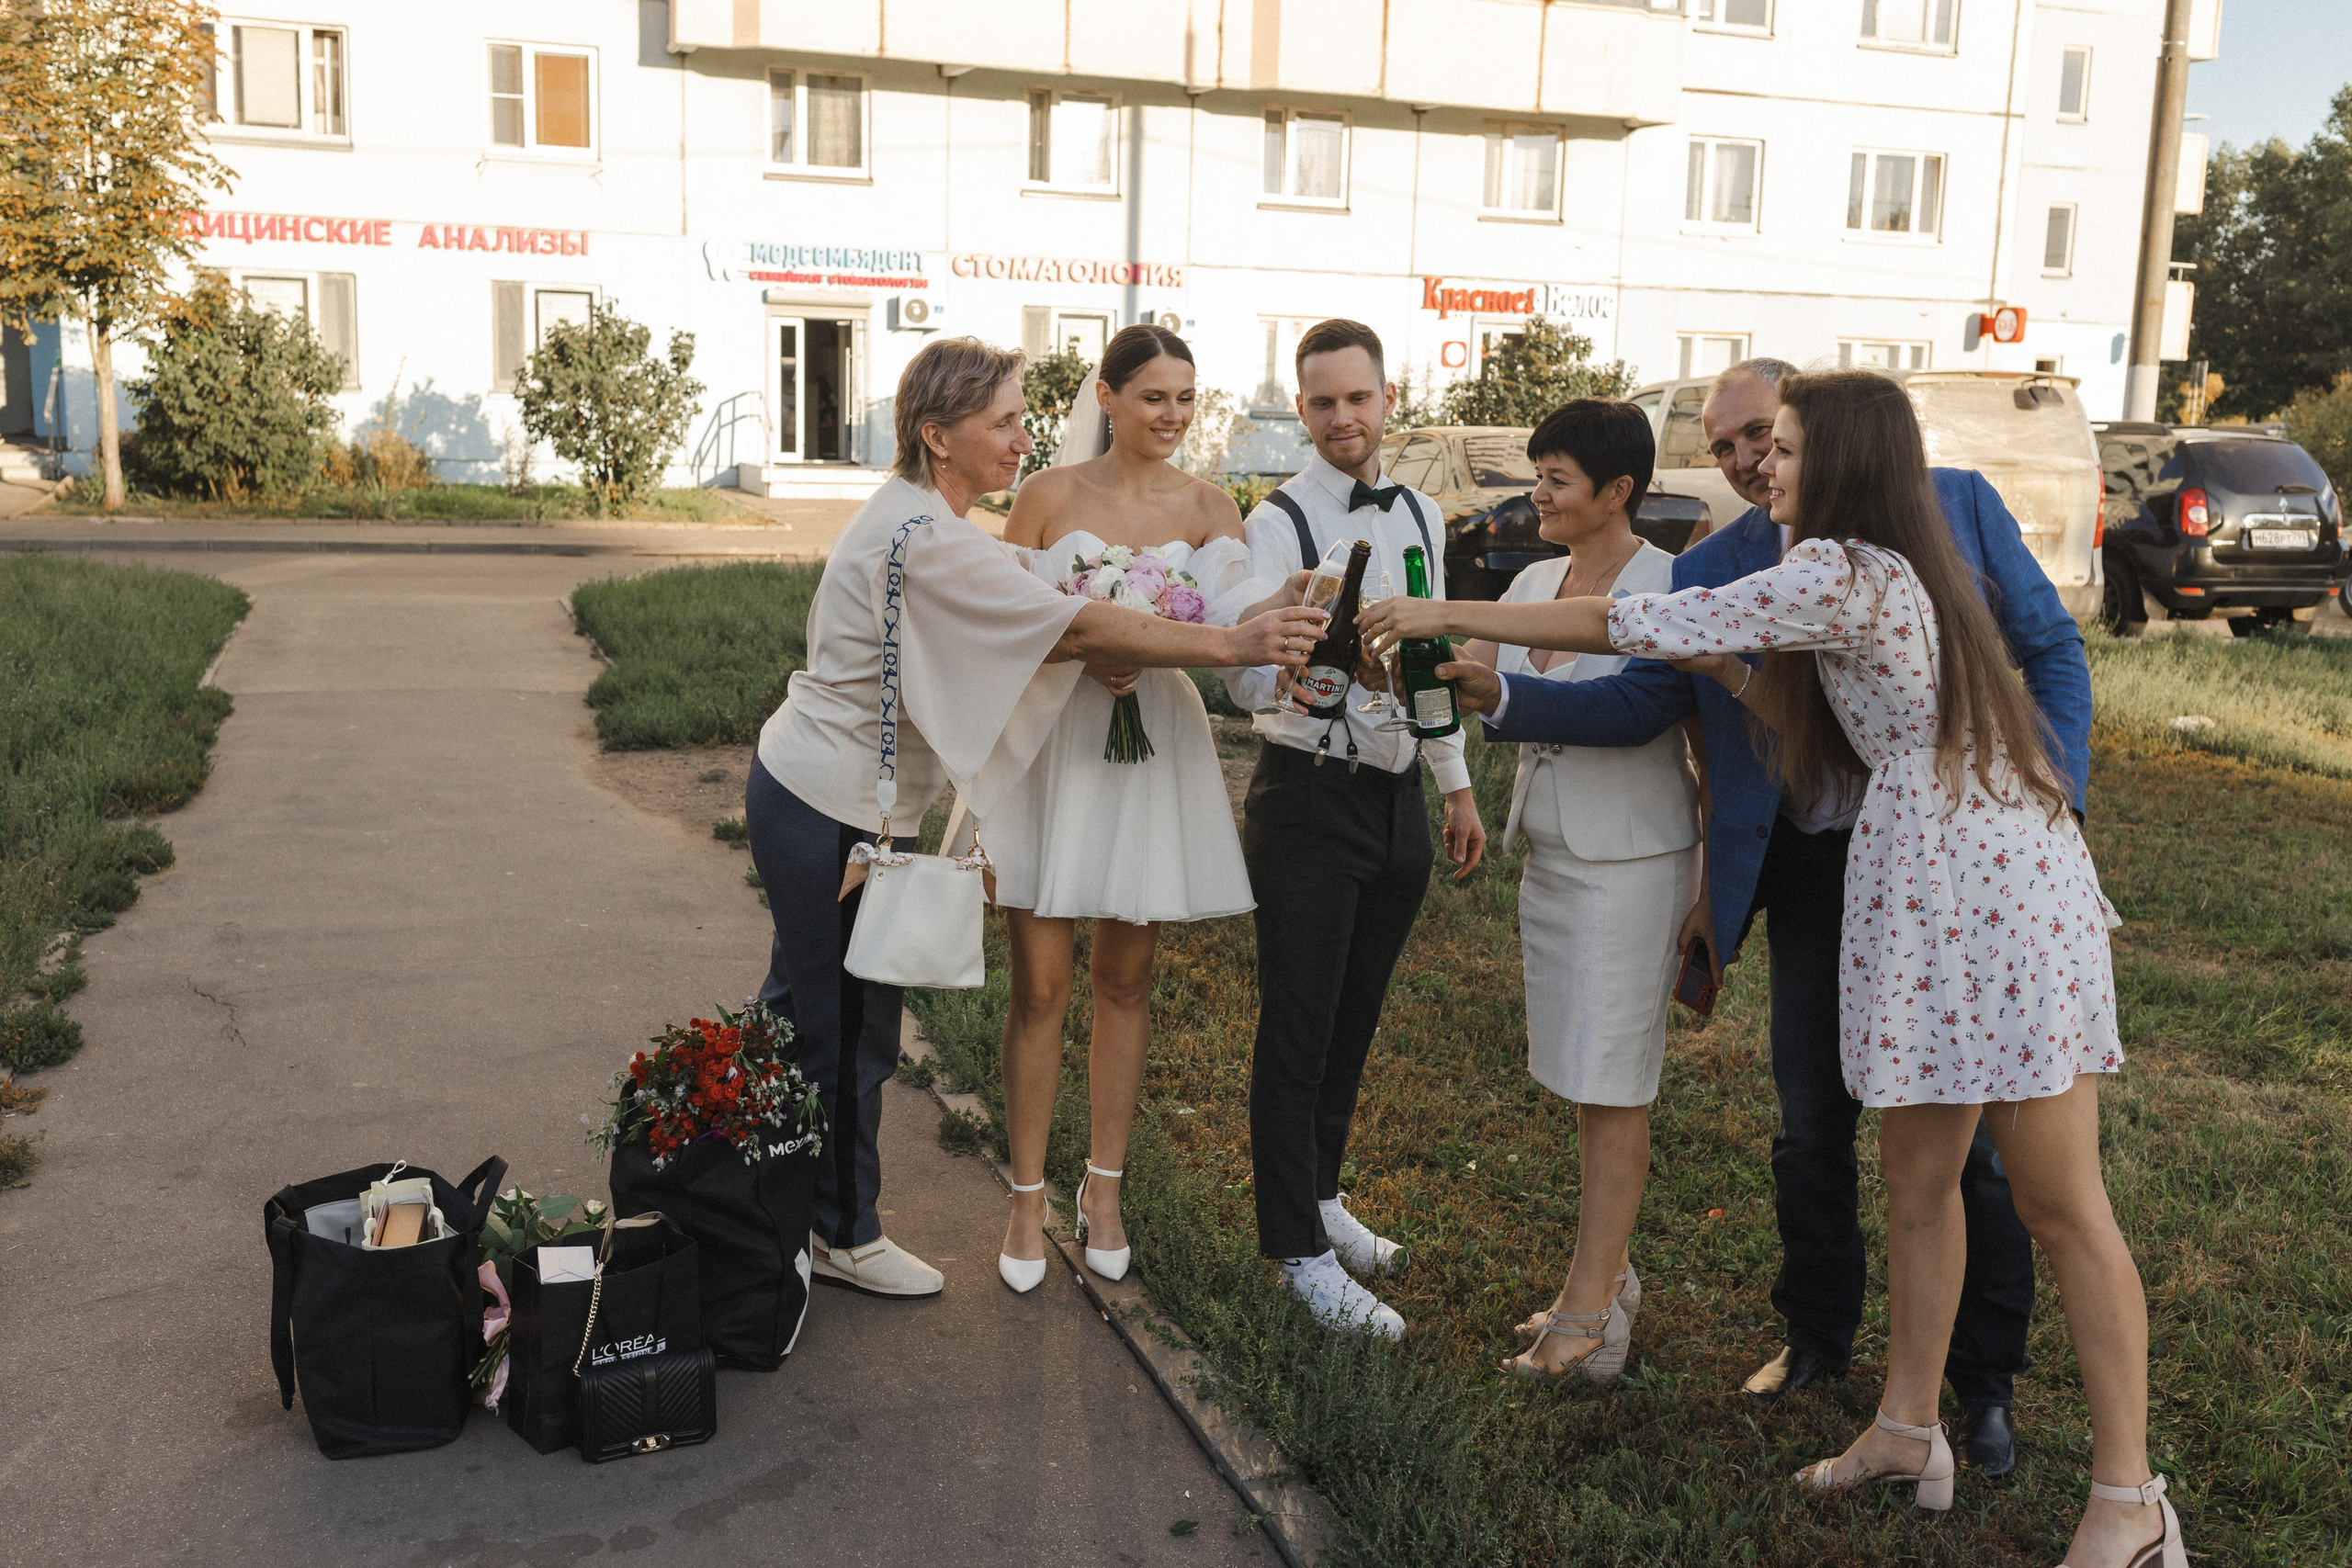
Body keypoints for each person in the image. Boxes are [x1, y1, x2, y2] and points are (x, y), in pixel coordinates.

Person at [1363, 369, 2181, 1568]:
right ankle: (1907, 1426)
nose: (1759, 467)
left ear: (1840, 460)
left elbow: (1631, 624)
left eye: (1783, 446)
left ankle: (2131, 1500)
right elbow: (1789, 708)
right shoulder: (1874, 562)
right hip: (1934, 871)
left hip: (1988, 890)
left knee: (2062, 1202)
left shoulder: (1842, 567)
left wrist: (1446, 617)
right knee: (1917, 1174)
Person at [1459, 357, 2082, 1476]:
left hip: (1963, 864)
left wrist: (2047, 803)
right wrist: (1501, 693)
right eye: (1731, 443)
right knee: (1812, 1119)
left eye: (1764, 436)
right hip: (1815, 863)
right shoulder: (1729, 559)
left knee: (1975, 1144)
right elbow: (1656, 687)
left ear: (1811, 433)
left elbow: (2047, 650)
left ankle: (1980, 1388)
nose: (1748, 462)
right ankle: (1818, 1343)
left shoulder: (1957, 507)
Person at [742, 336, 1324, 1302]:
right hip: (824, 805)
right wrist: (1226, 639)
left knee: (815, 1021)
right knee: (843, 1036)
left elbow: (1051, 622)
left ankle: (777, 1220)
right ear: (938, 436)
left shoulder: (930, 518)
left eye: (1021, 420)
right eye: (1002, 423)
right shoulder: (925, 539)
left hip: (823, 795)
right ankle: (823, 1236)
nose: (1023, 439)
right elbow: (1077, 626)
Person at [983, 324, 1271, 1294]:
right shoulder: (1046, 497)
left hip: (1154, 747)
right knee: (1038, 985)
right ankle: (1025, 1200)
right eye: (1154, 397)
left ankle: (1102, 1190)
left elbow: (1239, 614)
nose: (1174, 417)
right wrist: (1081, 644)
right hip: (1057, 745)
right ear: (1104, 398)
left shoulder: (1209, 504)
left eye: (1186, 398)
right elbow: (993, 619)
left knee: (1126, 979)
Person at [1221, 319, 1487, 1339]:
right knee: (1296, 1024)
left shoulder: (1419, 509)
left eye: (1358, 398)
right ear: (1302, 411)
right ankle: (1293, 1248)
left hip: (1396, 793)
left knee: (1354, 1016)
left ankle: (1323, 1196)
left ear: (1387, 399)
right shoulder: (1276, 520)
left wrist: (1453, 783)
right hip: (1308, 790)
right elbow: (1250, 673)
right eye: (1323, 401)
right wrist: (1306, 651)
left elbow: (1427, 659)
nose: (1343, 417)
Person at [1445, 400, 1702, 1382]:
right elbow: (1469, 671)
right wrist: (1398, 653)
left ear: (1617, 491)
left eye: (1555, 478)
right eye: (1536, 473)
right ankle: (1604, 1279)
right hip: (1553, 855)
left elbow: (1632, 709)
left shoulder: (1668, 586)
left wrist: (1496, 694)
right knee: (1580, 1078)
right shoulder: (1533, 580)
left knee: (1612, 1085)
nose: (1536, 494)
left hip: (1631, 863)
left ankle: (1591, 1321)